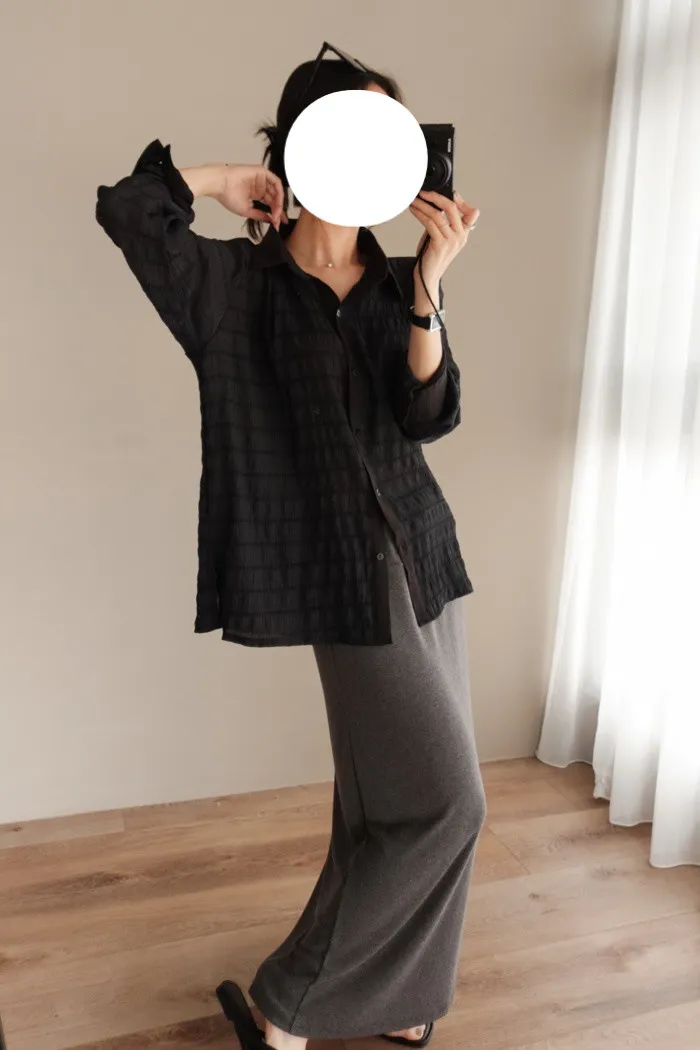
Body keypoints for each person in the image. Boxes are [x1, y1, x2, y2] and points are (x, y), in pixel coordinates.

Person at [95, 46, 485, 1050]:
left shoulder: (395, 280)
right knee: (449, 802)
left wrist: (427, 290)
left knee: (381, 809)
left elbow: (427, 415)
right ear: (310, 140)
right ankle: (288, 1003)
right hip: (342, 574)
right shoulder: (234, 285)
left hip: (426, 551)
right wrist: (225, 179)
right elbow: (130, 211)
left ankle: (397, 997)